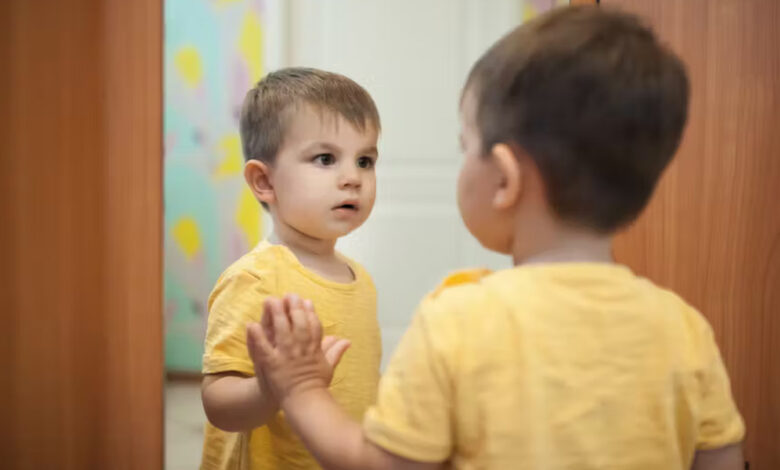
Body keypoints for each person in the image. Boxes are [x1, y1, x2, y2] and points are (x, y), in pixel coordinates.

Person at [247, 6, 745, 470]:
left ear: (504, 178)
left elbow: (385, 463)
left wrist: (304, 387)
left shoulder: (455, 321)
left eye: (466, 147)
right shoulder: (685, 329)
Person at [200, 67, 383, 469]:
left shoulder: (361, 280)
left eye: (365, 160)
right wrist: (270, 389)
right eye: (325, 158)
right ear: (264, 182)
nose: (353, 177)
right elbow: (218, 402)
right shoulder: (255, 279)